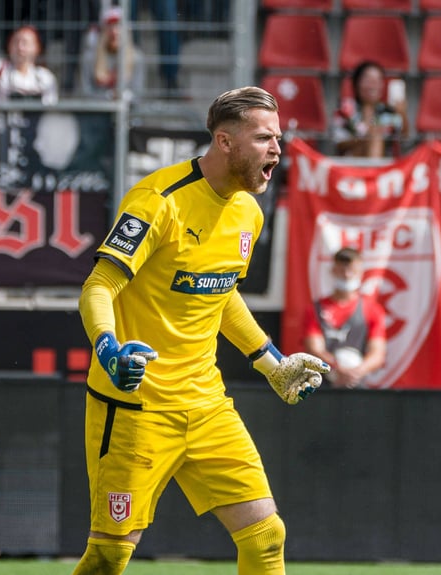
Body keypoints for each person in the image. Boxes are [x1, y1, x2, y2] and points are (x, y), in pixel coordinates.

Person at [72, 86, 329, 575]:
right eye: (263, 138)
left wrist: (269, 360)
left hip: (206, 404)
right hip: (135, 407)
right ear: (224, 141)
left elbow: (219, 290)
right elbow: (98, 286)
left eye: (278, 137)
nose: (277, 148)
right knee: (108, 557)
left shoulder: (248, 212)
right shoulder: (157, 200)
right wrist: (109, 349)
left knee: (267, 536)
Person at [302, 247, 388, 389]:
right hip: (321, 384)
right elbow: (314, 348)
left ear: (360, 272)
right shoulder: (315, 309)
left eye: (352, 270)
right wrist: (336, 368)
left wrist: (356, 372)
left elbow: (377, 354)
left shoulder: (373, 310)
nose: (347, 275)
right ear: (333, 271)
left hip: (356, 383)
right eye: (341, 270)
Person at [332, 61, 408, 158]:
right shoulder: (345, 109)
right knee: (375, 138)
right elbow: (339, 143)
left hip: (383, 163)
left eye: (377, 80)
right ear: (356, 83)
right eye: (368, 80)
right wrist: (367, 139)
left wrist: (402, 114)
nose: (373, 85)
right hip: (350, 164)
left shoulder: (388, 112)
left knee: (376, 139)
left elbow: (404, 142)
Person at [79, 6, 146, 101]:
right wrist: (108, 96)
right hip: (98, 112)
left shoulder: (136, 58)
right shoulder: (90, 58)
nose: (114, 31)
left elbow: (138, 95)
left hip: (128, 112)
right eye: (110, 26)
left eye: (119, 26)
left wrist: (125, 97)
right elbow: (86, 94)